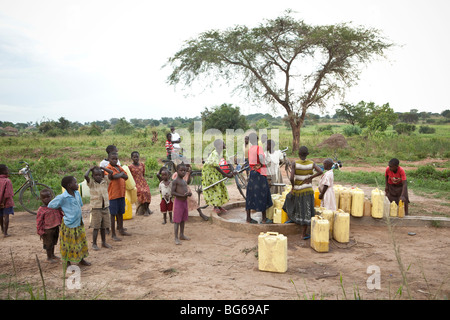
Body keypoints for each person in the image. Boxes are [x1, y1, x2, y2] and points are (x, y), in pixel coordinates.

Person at [48, 176, 90, 266]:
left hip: (79, 222)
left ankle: (81, 259)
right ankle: (67, 262)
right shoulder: (63, 197)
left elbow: (80, 205)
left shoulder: (77, 193)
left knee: (80, 241)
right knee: (68, 244)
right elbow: (51, 205)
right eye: (75, 182)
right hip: (69, 224)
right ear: (69, 185)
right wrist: (61, 208)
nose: (77, 184)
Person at [283, 146, 323, 239]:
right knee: (306, 211)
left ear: (299, 154)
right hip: (308, 191)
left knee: (289, 200)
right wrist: (311, 178)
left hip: (297, 190)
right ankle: (303, 233)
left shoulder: (295, 163)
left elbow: (292, 177)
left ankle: (292, 219)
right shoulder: (311, 163)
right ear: (307, 154)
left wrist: (293, 186)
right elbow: (320, 171)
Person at [245, 133, 273, 224]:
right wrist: (262, 163)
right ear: (257, 140)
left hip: (252, 173)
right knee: (263, 194)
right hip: (260, 173)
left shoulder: (250, 149)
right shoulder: (258, 148)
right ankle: (264, 219)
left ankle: (248, 218)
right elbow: (261, 157)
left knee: (250, 194)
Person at [201, 139, 235, 214]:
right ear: (218, 146)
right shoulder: (215, 154)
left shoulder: (224, 152)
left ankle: (219, 205)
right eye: (223, 143)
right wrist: (226, 175)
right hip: (209, 172)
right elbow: (216, 166)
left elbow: (229, 161)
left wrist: (233, 171)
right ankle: (215, 206)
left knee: (220, 186)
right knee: (215, 188)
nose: (224, 144)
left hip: (215, 171)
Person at [84, 165, 113, 250]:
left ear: (102, 175)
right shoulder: (91, 183)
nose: (98, 176)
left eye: (99, 175)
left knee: (104, 227)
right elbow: (85, 176)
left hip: (105, 207)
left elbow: (111, 173)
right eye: (96, 175)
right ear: (93, 176)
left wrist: (103, 168)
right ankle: (94, 244)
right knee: (96, 227)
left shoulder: (105, 181)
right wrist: (90, 168)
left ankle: (104, 242)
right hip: (96, 208)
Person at [106, 152, 130, 241]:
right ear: (109, 159)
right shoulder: (108, 168)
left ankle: (121, 229)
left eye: (116, 159)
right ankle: (113, 234)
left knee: (120, 213)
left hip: (121, 194)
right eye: (113, 159)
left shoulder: (119, 167)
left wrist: (118, 175)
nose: (115, 160)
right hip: (113, 195)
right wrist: (120, 175)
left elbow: (126, 176)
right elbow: (112, 177)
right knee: (113, 214)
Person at [36, 188, 64, 262]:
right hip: (47, 230)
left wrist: (62, 222)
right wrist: (40, 231)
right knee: (48, 244)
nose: (47, 199)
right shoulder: (41, 209)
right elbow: (39, 221)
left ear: (51, 196)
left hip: (56, 227)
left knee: (53, 242)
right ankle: (49, 257)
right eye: (44, 198)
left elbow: (60, 214)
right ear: (41, 199)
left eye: (48, 197)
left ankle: (52, 255)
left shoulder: (55, 206)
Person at [171, 163, 192, 245]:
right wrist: (182, 195)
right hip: (178, 203)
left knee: (183, 219)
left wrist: (188, 194)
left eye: (184, 171)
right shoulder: (175, 181)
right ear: (177, 171)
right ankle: (176, 238)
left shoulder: (184, 181)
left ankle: (182, 234)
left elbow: (185, 190)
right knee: (177, 221)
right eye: (181, 170)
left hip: (184, 202)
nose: (183, 172)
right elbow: (173, 192)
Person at [129, 151, 152, 216]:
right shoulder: (130, 167)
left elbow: (143, 174)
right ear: (131, 158)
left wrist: (142, 181)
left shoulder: (142, 165)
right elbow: (129, 176)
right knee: (142, 192)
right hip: (135, 183)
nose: (136, 158)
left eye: (137, 157)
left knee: (147, 192)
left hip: (142, 182)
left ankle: (147, 209)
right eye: (134, 157)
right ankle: (146, 211)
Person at [0, 164, 14, 238]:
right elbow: (8, 194)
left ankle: (2, 229)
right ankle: (5, 233)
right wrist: (3, 202)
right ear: (4, 171)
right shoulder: (7, 181)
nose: (8, 170)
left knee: (1, 216)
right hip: (6, 202)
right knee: (6, 216)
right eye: (7, 169)